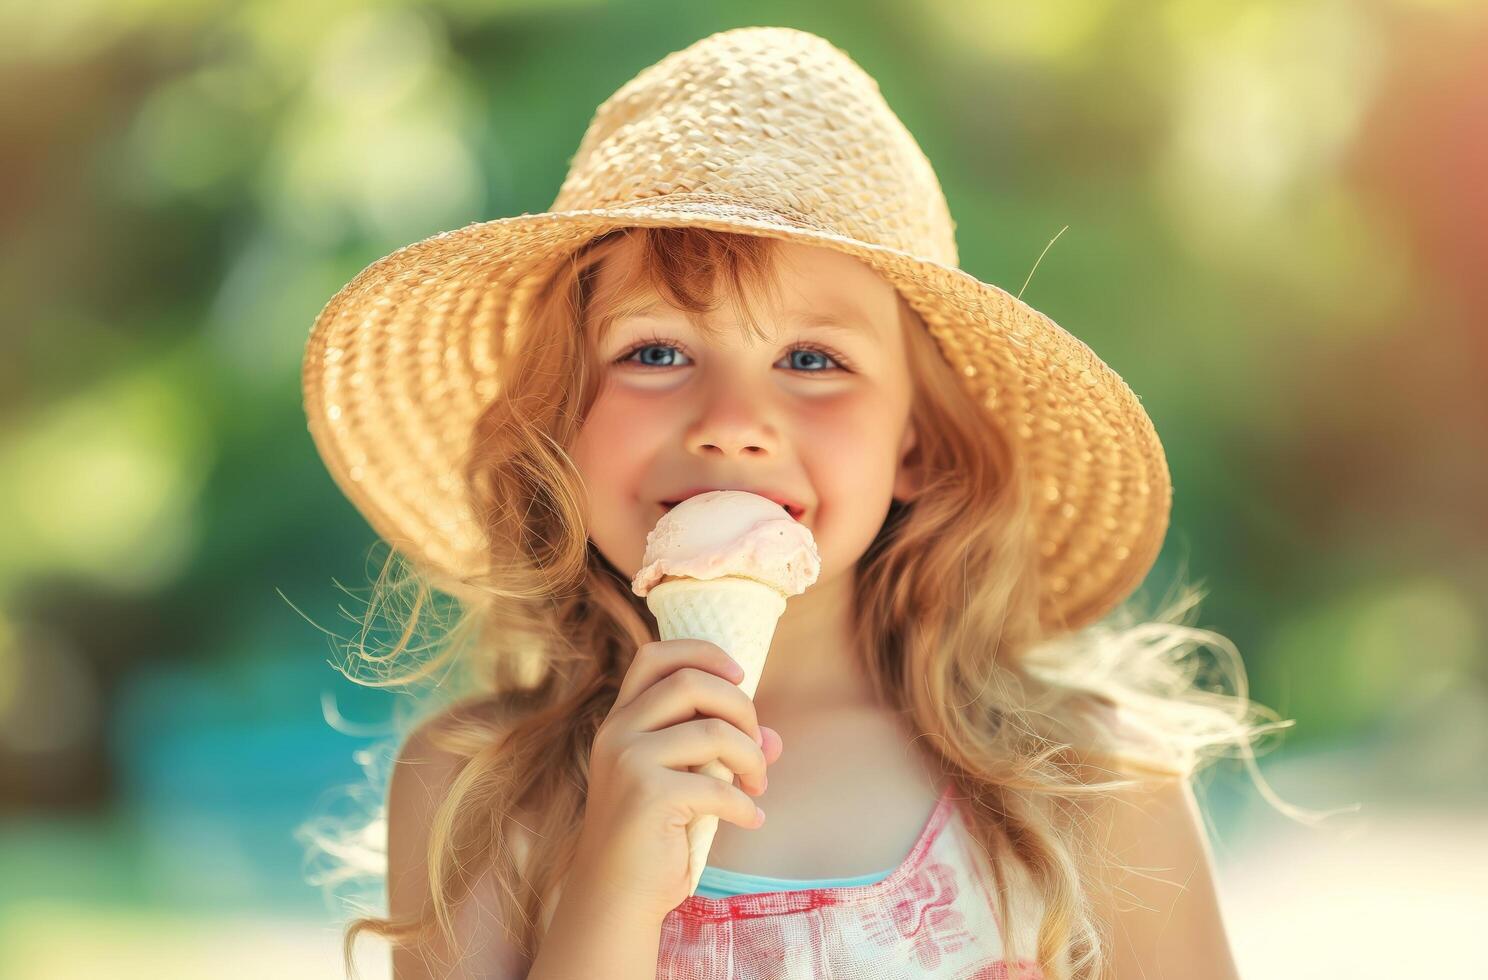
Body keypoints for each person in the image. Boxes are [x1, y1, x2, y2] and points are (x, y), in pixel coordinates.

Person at [301, 25, 1294, 980]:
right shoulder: (478, 786)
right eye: (656, 351)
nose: (733, 421)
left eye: (812, 359)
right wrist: (610, 883)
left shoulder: (1088, 783)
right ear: (562, 419)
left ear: (917, 443)